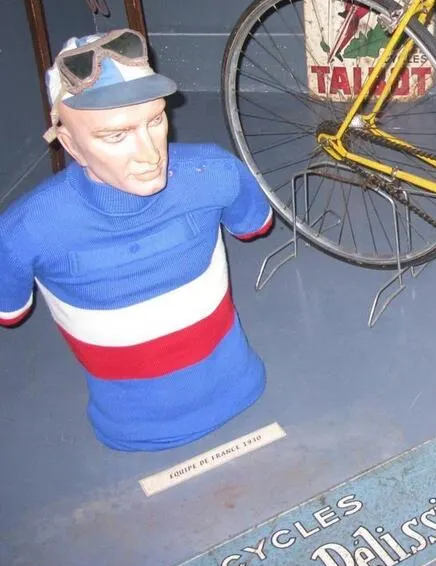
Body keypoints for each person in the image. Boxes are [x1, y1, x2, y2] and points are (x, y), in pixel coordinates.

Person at [0, 29, 273, 452]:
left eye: (155, 120)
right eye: (116, 135)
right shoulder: (24, 231)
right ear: (69, 143)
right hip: (130, 429)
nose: (150, 154)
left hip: (244, 387)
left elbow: (254, 225)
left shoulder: (217, 173)